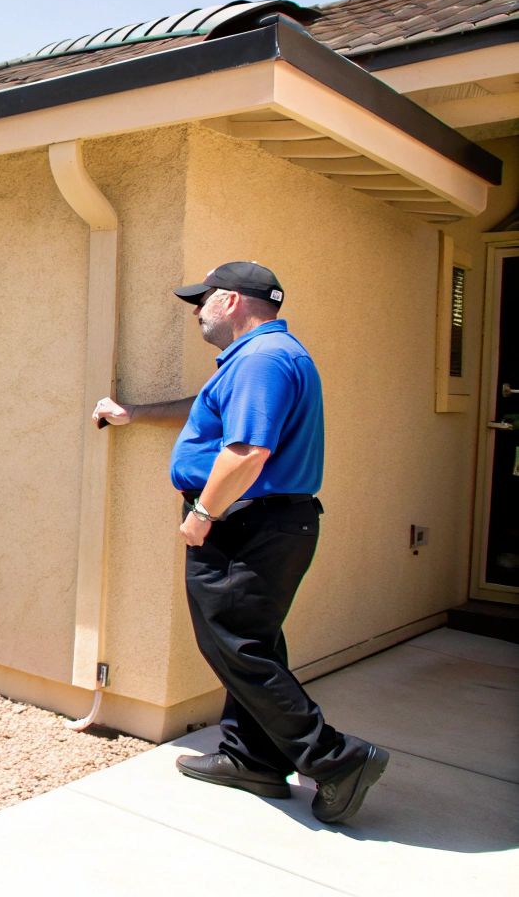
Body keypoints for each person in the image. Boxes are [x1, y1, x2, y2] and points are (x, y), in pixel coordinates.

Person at [92, 261, 388, 825]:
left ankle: (336, 760)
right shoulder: (256, 360)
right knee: (250, 643)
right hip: (264, 523)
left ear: (230, 301)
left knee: (236, 647)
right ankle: (253, 759)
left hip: (246, 525)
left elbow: (248, 451)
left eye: (201, 301)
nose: (197, 312)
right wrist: (134, 415)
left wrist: (205, 511)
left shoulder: (262, 359)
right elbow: (208, 415)